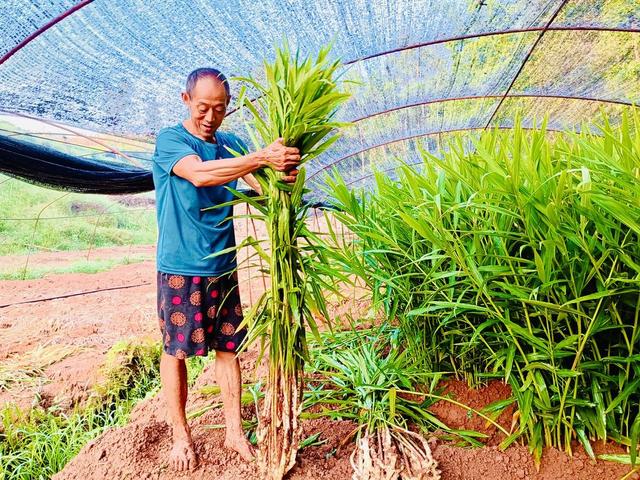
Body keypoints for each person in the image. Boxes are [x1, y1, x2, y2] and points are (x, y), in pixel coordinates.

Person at [152, 67, 300, 472]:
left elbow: (263, 189)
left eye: (219, 109)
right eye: (202, 107)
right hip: (181, 267)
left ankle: (234, 432)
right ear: (186, 101)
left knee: (229, 347)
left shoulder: (232, 144)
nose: (210, 117)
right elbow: (199, 174)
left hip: (223, 266)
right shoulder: (171, 140)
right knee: (175, 350)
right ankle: (181, 435)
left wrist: (284, 173)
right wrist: (261, 157)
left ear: (227, 108)